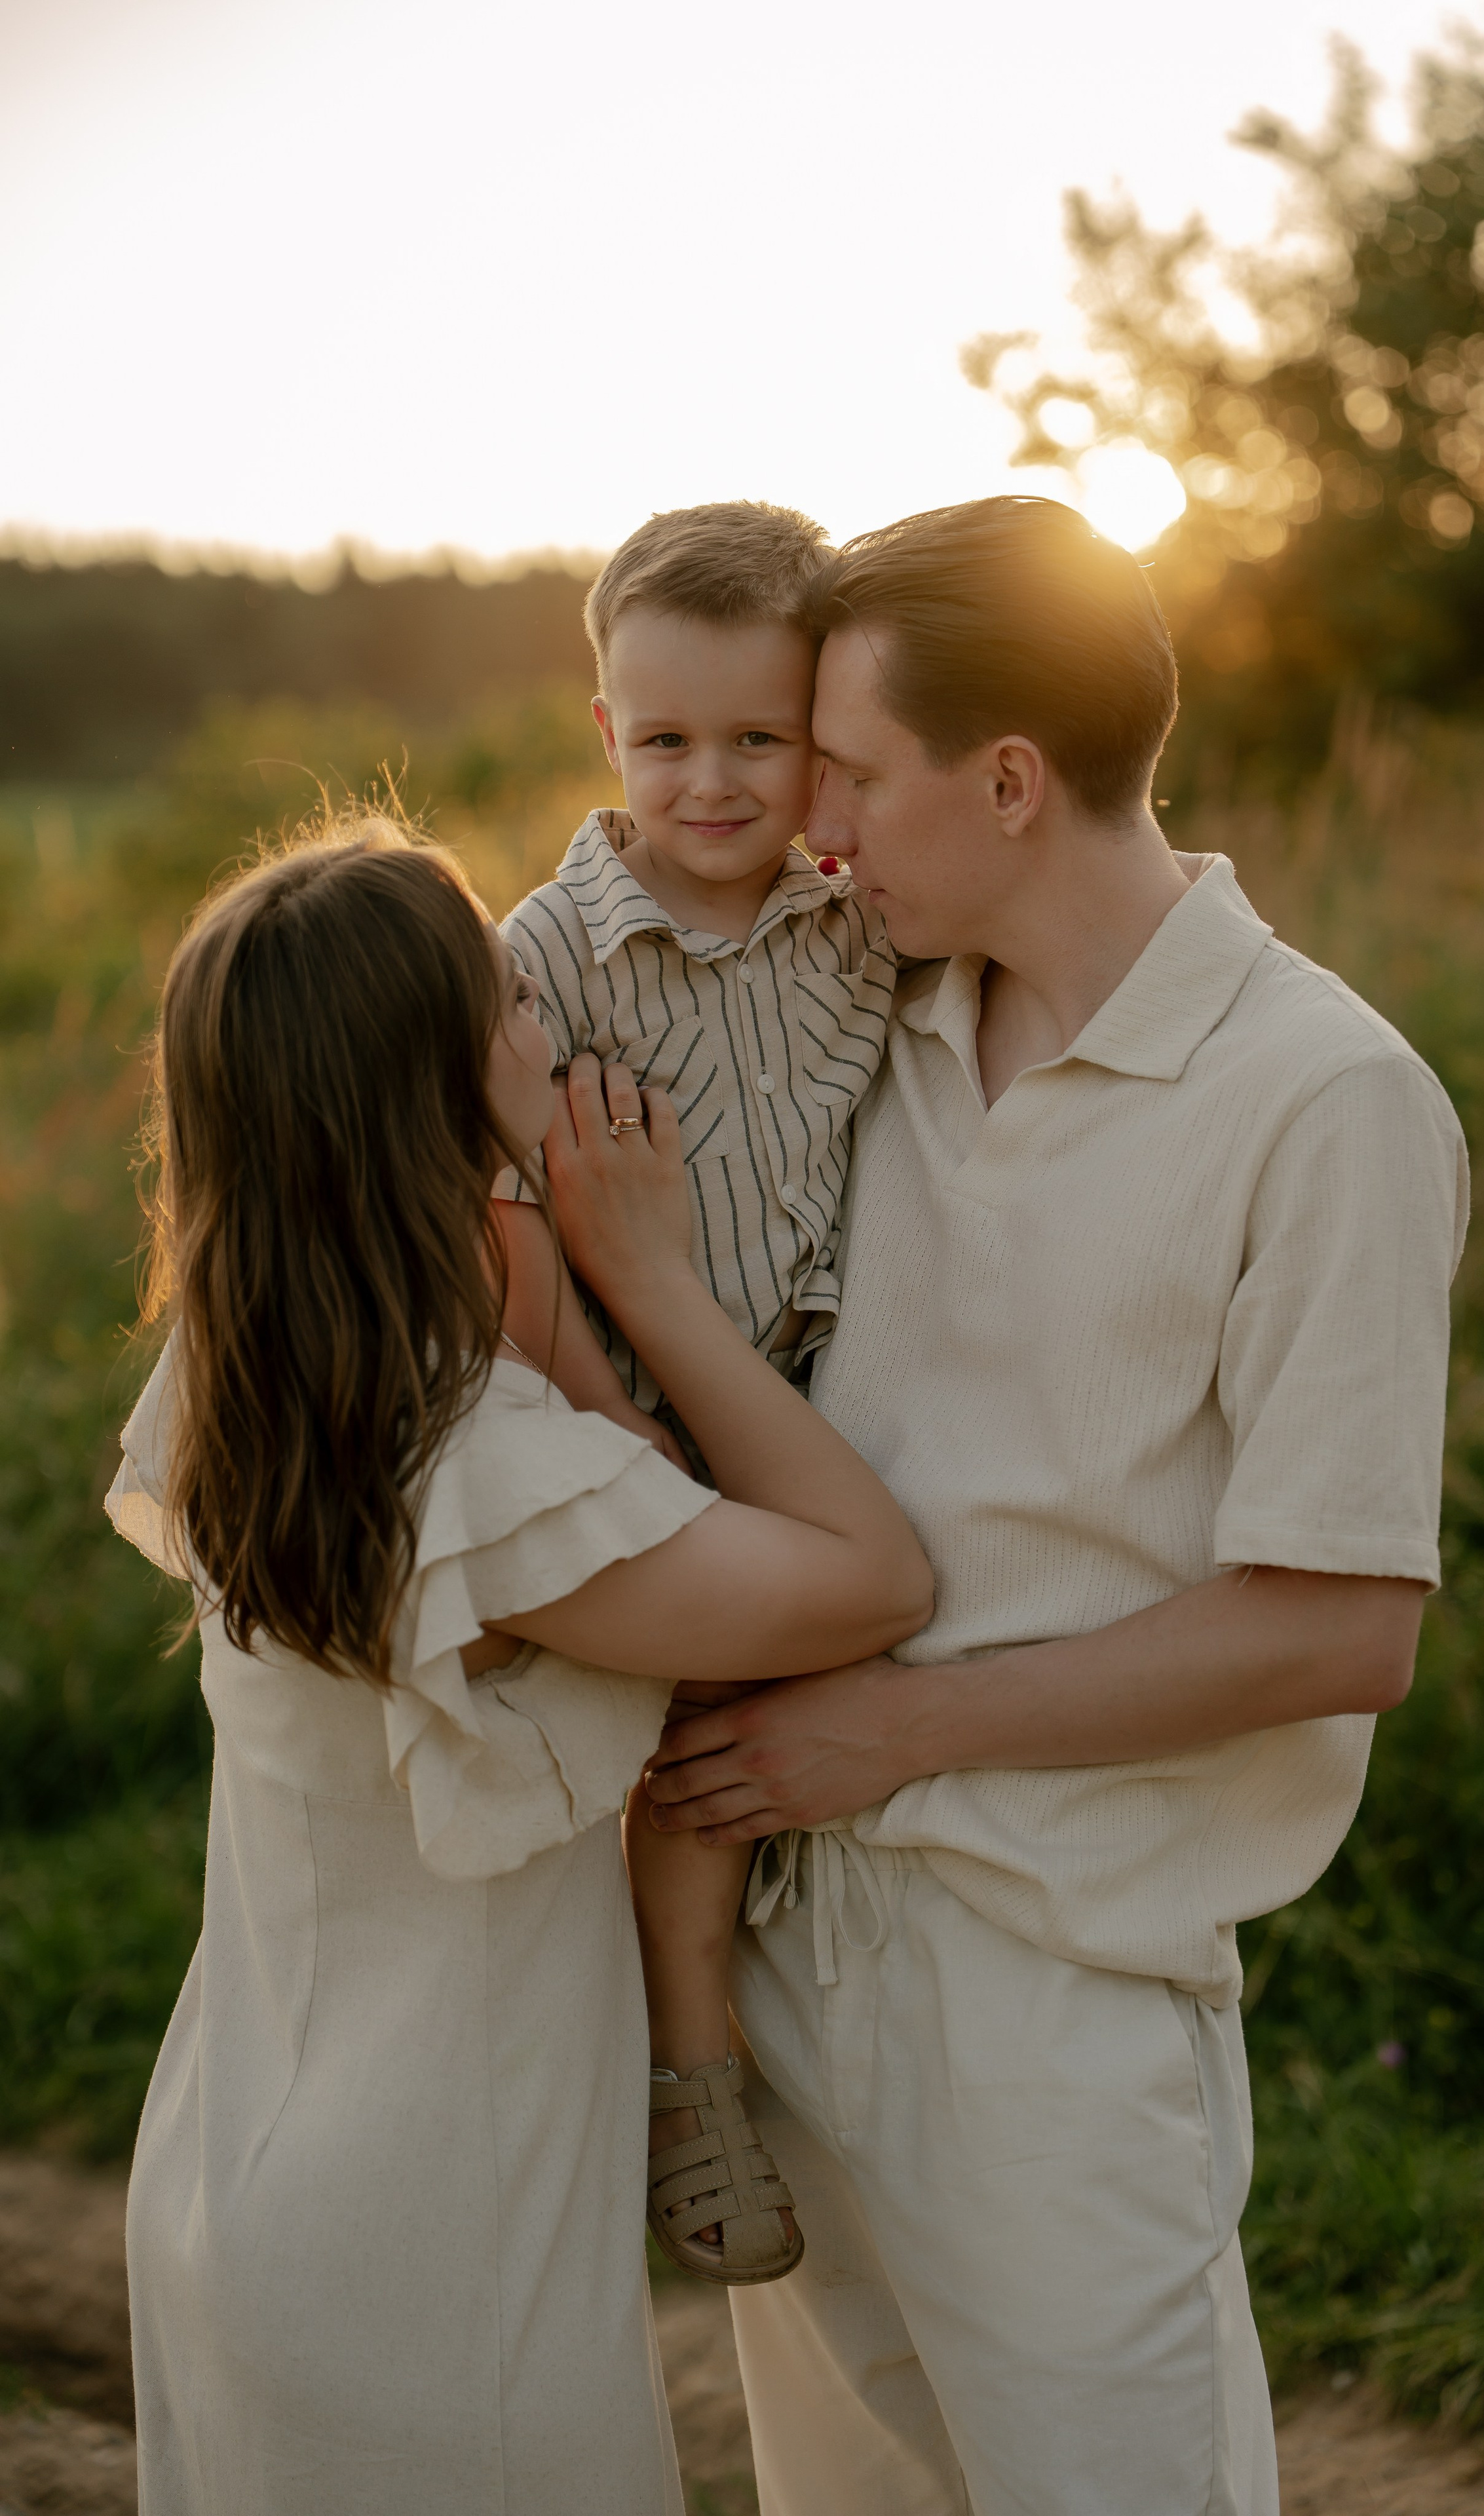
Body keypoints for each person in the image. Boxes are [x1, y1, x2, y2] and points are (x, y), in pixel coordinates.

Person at [571, 497, 1472, 2516]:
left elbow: (1344, 1628)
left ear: (1005, 777)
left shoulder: (1326, 1100)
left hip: (1052, 1996)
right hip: (787, 1948)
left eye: (860, 776)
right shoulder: (854, 1023)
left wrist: (895, 1727)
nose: (821, 829)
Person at [105, 814, 930, 2516]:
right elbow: (872, 1577)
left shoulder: (248, 1382)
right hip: (426, 2251)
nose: (547, 1019)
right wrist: (652, 1273)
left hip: (243, 2177)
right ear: (431, 1082)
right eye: (506, 1000)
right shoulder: (469, 1468)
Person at [491, 501, 896, 2281]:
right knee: (692, 1745)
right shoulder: (544, 957)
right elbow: (493, 1211)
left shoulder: (859, 925)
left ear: (827, 741)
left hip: (817, 1397)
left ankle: (793, 2031)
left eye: (761, 739)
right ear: (606, 733)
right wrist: (603, 1416)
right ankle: (692, 2076)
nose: (713, 783)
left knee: (787, 1711)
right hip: (634, 1402)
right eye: (668, 741)